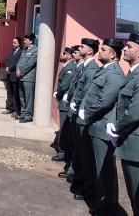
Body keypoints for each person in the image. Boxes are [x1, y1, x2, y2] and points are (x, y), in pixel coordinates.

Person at [107, 32, 139, 216]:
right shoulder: (134, 74)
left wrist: (116, 128)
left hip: (137, 145)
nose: (125, 49)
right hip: (128, 141)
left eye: (129, 47)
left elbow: (135, 113)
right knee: (134, 195)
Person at [78, 38, 125, 214]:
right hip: (94, 125)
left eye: (103, 50)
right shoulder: (105, 71)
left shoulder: (114, 74)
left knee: (105, 171)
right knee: (95, 167)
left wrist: (86, 113)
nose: (100, 52)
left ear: (113, 54)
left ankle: (108, 207)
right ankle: (99, 201)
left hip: (102, 128)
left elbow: (104, 101)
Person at [68, 37, 100, 200]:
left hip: (82, 115)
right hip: (76, 112)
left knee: (84, 154)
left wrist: (78, 105)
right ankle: (79, 179)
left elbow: (88, 93)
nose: (79, 48)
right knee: (78, 151)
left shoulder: (92, 68)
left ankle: (85, 186)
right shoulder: (84, 67)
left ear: (89, 51)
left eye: (82, 46)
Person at [52, 46, 76, 161]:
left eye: (64, 53)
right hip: (63, 100)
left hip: (65, 102)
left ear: (70, 56)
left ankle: (62, 153)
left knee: (64, 128)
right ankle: (62, 151)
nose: (61, 55)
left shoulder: (70, 67)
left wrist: (57, 93)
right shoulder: (66, 66)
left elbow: (64, 85)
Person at [16, 33, 38, 123]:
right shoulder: (25, 50)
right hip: (21, 77)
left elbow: (31, 63)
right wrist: (17, 69)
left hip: (28, 77)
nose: (24, 42)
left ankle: (28, 115)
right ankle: (23, 113)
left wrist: (21, 72)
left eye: (26, 40)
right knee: (22, 97)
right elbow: (19, 61)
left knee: (28, 97)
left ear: (31, 41)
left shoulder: (35, 50)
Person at [4, 37, 22, 117]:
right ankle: (9, 108)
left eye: (14, 42)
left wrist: (10, 68)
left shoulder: (21, 52)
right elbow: (7, 60)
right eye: (13, 42)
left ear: (19, 43)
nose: (13, 44)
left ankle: (16, 110)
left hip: (14, 75)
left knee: (15, 93)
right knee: (9, 92)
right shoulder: (11, 51)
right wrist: (7, 67)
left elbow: (18, 63)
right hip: (9, 74)